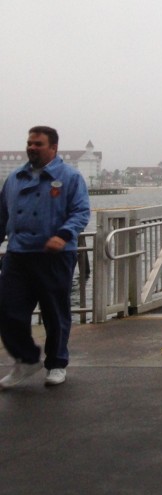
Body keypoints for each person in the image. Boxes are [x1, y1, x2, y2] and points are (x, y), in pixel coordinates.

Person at [0, 126, 91, 389]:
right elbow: (2, 216)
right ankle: (26, 359)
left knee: (54, 312)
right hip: (18, 254)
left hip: (54, 254)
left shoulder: (70, 177)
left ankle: (57, 364)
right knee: (7, 309)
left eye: (38, 144)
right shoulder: (15, 178)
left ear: (53, 148)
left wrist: (63, 235)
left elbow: (81, 212)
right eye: (29, 143)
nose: (32, 148)